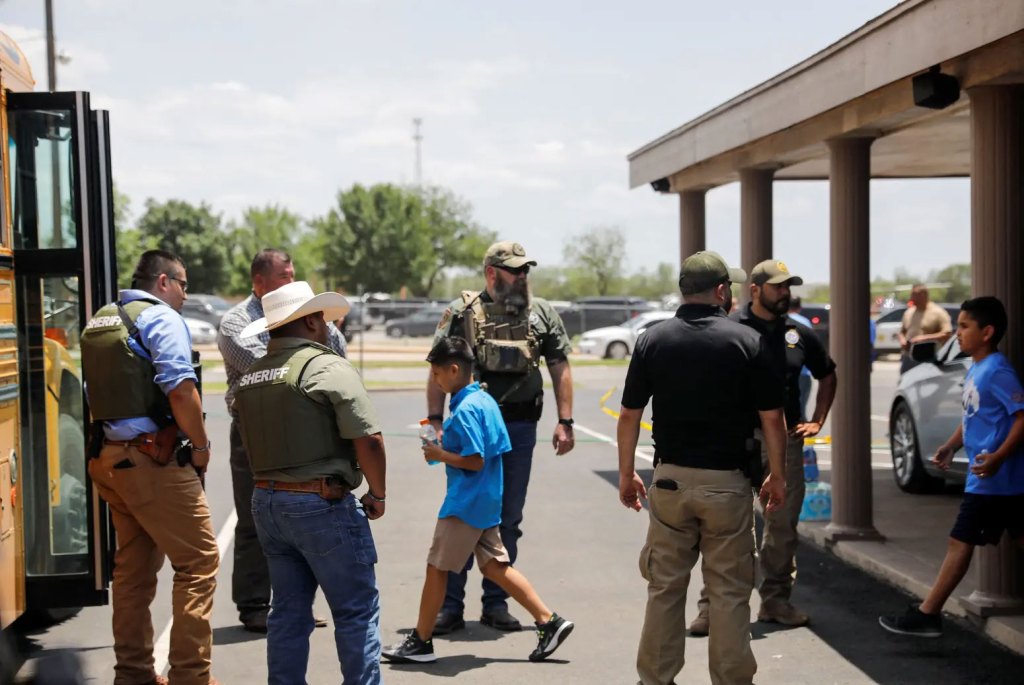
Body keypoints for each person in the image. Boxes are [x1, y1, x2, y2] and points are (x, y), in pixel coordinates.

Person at [618, 251, 787, 685]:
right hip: (727, 485)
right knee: (730, 593)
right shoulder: (747, 341)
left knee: (664, 588)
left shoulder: (653, 340)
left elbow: (630, 414)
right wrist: (778, 475)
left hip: (671, 481)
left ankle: (655, 679)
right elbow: (772, 418)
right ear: (720, 291)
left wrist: (626, 473)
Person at [383, 337, 574, 664]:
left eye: (436, 372)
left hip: (465, 503)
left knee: (436, 567)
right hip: (486, 499)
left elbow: (475, 459)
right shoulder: (484, 400)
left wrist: (440, 454)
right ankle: (548, 620)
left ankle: (421, 641)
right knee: (496, 566)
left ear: (454, 370)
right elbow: (488, 449)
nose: (435, 379)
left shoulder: (467, 408)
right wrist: (444, 450)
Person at [233, 281, 387, 684]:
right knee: (355, 610)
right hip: (320, 502)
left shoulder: (251, 376)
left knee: (286, 611)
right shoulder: (326, 366)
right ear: (314, 321)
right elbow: (369, 439)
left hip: (267, 502)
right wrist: (378, 492)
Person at [81, 249, 219, 685]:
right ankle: (190, 678)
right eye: (183, 285)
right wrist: (200, 446)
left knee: (134, 571)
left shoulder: (102, 319)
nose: (184, 294)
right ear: (164, 281)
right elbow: (180, 389)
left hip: (109, 459)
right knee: (199, 561)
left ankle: (135, 674)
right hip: (150, 461)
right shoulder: (160, 318)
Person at [427, 240, 575, 634]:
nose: (523, 276)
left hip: (521, 429)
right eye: (515, 269)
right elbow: (437, 367)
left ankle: (496, 604)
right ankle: (449, 608)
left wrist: (566, 420)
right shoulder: (461, 312)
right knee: (461, 514)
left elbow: (560, 364)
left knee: (507, 517)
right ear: (492, 272)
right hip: (470, 430)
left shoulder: (542, 312)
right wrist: (434, 420)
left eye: (526, 269)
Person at [689, 259, 838, 635]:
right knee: (727, 526)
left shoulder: (798, 333)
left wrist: (818, 419)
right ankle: (710, 608)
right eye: (778, 287)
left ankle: (775, 601)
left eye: (788, 287)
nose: (785, 293)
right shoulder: (730, 329)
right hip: (738, 442)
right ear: (754, 290)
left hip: (785, 444)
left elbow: (828, 373)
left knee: (782, 526)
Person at [216, 248, 346, 632]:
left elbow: (337, 353)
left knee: (303, 514)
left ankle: (295, 603)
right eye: (285, 276)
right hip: (255, 433)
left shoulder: (304, 314)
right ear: (259, 283)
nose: (293, 282)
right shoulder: (237, 323)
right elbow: (271, 371)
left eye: (293, 274)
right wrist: (313, 360)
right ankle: (255, 604)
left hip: (305, 429)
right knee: (254, 516)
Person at [880, 296, 1024, 637]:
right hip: (991, 478)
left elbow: (1021, 417)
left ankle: (929, 613)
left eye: (964, 326)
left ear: (987, 332)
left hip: (993, 479)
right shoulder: (976, 368)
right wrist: (950, 445)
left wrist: (999, 456)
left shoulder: (998, 371)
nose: (957, 333)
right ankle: (929, 613)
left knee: (960, 541)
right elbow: (973, 416)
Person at [898, 283, 952, 374]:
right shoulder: (908, 312)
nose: (911, 298)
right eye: (911, 295)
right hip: (908, 357)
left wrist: (923, 338)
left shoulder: (938, 312)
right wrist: (902, 340)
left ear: (924, 295)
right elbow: (902, 332)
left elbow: (947, 334)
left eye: (914, 295)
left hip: (928, 359)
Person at [787, 296, 814, 419]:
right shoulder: (805, 322)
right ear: (799, 307)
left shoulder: (781, 321)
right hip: (803, 372)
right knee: (801, 408)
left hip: (785, 372)